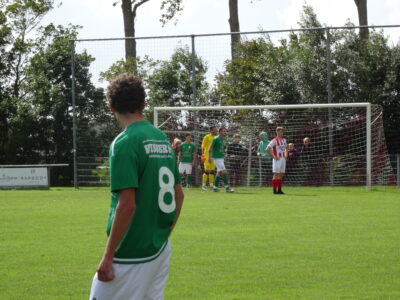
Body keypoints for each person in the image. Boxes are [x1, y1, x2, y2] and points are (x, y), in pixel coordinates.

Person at [89, 73, 184, 300]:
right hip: (160, 249)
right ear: (143, 103)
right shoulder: (162, 138)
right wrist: (163, 234)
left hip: (131, 252)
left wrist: (108, 255)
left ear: (111, 107)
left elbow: (127, 205)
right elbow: (178, 196)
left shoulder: (124, 142)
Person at [209, 128, 234, 193]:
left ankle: (214, 188)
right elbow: (210, 148)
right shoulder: (216, 138)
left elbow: (220, 149)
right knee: (224, 171)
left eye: (225, 131)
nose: (225, 132)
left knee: (219, 172)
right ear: (219, 132)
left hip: (221, 158)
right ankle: (227, 188)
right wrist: (209, 158)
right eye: (223, 131)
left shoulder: (223, 139)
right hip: (216, 158)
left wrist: (225, 154)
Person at [266, 127, 288, 194]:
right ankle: (274, 190)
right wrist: (274, 156)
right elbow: (267, 149)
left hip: (283, 159)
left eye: (282, 132)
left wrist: (286, 155)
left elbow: (286, 148)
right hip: (277, 159)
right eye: (280, 131)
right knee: (276, 174)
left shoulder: (284, 140)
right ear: (277, 132)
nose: (281, 133)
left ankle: (279, 190)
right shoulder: (274, 140)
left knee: (281, 174)